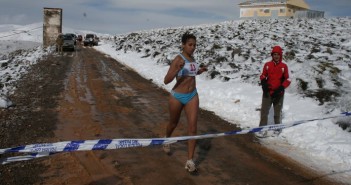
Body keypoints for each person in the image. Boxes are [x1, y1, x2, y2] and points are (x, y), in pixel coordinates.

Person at [163, 32, 207, 173]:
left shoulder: (193, 59)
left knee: (192, 128)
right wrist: (177, 68)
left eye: (194, 45)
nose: (193, 47)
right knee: (173, 123)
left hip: (192, 96)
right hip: (177, 96)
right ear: (183, 45)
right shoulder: (178, 59)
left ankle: (190, 160)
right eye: (190, 45)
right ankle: (167, 138)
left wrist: (199, 71)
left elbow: (191, 74)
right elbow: (166, 80)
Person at [257, 45, 291, 138]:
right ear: (272, 55)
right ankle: (262, 129)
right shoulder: (267, 65)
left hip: (278, 94)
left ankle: (277, 129)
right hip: (267, 92)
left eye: (278, 54)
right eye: (274, 54)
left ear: (280, 55)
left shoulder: (284, 66)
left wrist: (281, 88)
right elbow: (263, 75)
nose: (276, 56)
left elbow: (288, 79)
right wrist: (264, 83)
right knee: (264, 111)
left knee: (277, 113)